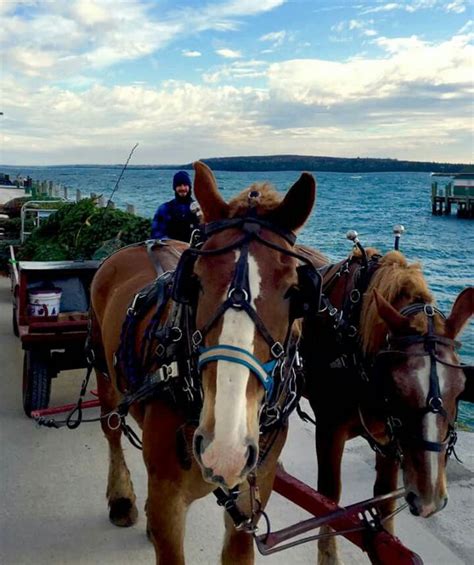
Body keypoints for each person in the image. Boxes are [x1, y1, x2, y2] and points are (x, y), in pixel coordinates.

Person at [150, 170, 200, 242]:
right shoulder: (164, 209)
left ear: (189, 187)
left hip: (195, 251)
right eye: (179, 185)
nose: (182, 188)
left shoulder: (199, 208)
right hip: (170, 250)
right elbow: (156, 234)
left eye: (185, 185)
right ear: (174, 188)